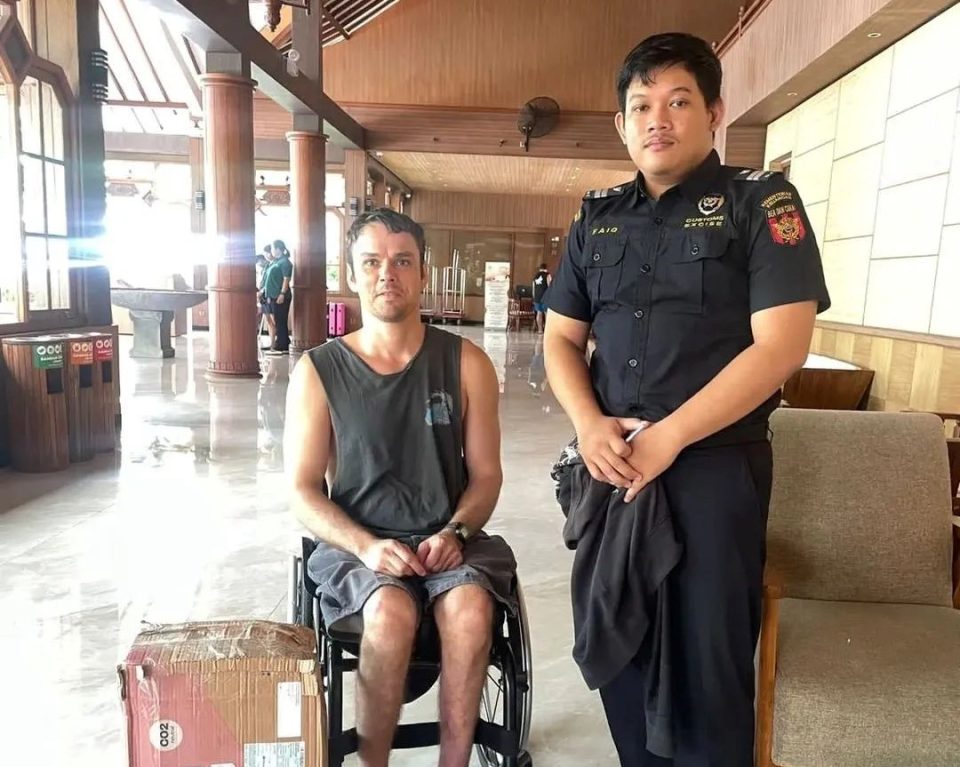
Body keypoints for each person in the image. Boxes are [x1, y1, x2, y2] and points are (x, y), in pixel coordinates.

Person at [544, 33, 830, 767]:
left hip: (713, 471)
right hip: (613, 472)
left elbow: (781, 347)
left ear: (714, 113)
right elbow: (560, 339)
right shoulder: (597, 216)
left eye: (677, 101)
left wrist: (668, 436)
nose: (657, 120)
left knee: (709, 669)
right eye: (641, 105)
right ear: (621, 123)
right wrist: (589, 424)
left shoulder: (760, 201)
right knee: (619, 647)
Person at [285, 208, 517, 767]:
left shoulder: (466, 363)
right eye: (371, 262)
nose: (387, 273)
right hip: (358, 544)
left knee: (470, 611)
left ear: (423, 273)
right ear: (351, 274)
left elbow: (486, 475)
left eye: (402, 261)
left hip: (447, 537)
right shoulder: (318, 371)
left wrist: (457, 531)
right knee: (389, 615)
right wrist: (366, 546)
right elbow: (302, 490)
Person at [263, 239, 292, 353]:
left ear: (278, 249)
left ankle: (282, 345)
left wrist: (282, 294)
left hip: (280, 296)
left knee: (280, 320)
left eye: (272, 248)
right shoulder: (276, 262)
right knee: (277, 319)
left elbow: (286, 279)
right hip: (272, 296)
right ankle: (281, 342)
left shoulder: (285, 262)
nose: (271, 251)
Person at [256, 245, 273, 349]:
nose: (258, 265)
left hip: (267, 296)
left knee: (271, 321)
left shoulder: (269, 267)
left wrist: (262, 291)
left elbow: (267, 284)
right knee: (267, 319)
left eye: (258, 262)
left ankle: (273, 343)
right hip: (262, 296)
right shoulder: (262, 270)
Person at [531, 262, 552, 333]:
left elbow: (533, 289)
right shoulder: (547, 275)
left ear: (540, 268)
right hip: (545, 297)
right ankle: (546, 330)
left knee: (539, 313)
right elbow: (550, 286)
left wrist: (534, 297)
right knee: (546, 313)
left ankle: (540, 330)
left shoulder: (535, 276)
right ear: (546, 268)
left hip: (537, 298)